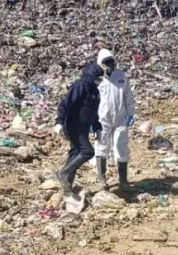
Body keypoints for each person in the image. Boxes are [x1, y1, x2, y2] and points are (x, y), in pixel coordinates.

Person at [53, 62, 104, 198]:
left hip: (84, 128)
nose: (99, 80)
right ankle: (64, 173)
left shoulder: (94, 91)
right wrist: (59, 122)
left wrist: (97, 127)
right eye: (97, 77)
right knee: (87, 151)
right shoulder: (80, 86)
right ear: (90, 75)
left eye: (100, 78)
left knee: (75, 154)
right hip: (73, 126)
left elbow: (93, 112)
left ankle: (67, 188)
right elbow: (65, 104)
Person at [93, 49, 136, 190]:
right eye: (107, 62)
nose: (110, 64)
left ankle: (123, 181)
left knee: (121, 147)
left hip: (120, 118)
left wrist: (131, 113)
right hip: (102, 119)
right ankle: (102, 180)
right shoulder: (97, 79)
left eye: (111, 61)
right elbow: (92, 100)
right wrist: (91, 119)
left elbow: (128, 96)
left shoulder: (121, 76)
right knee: (101, 147)